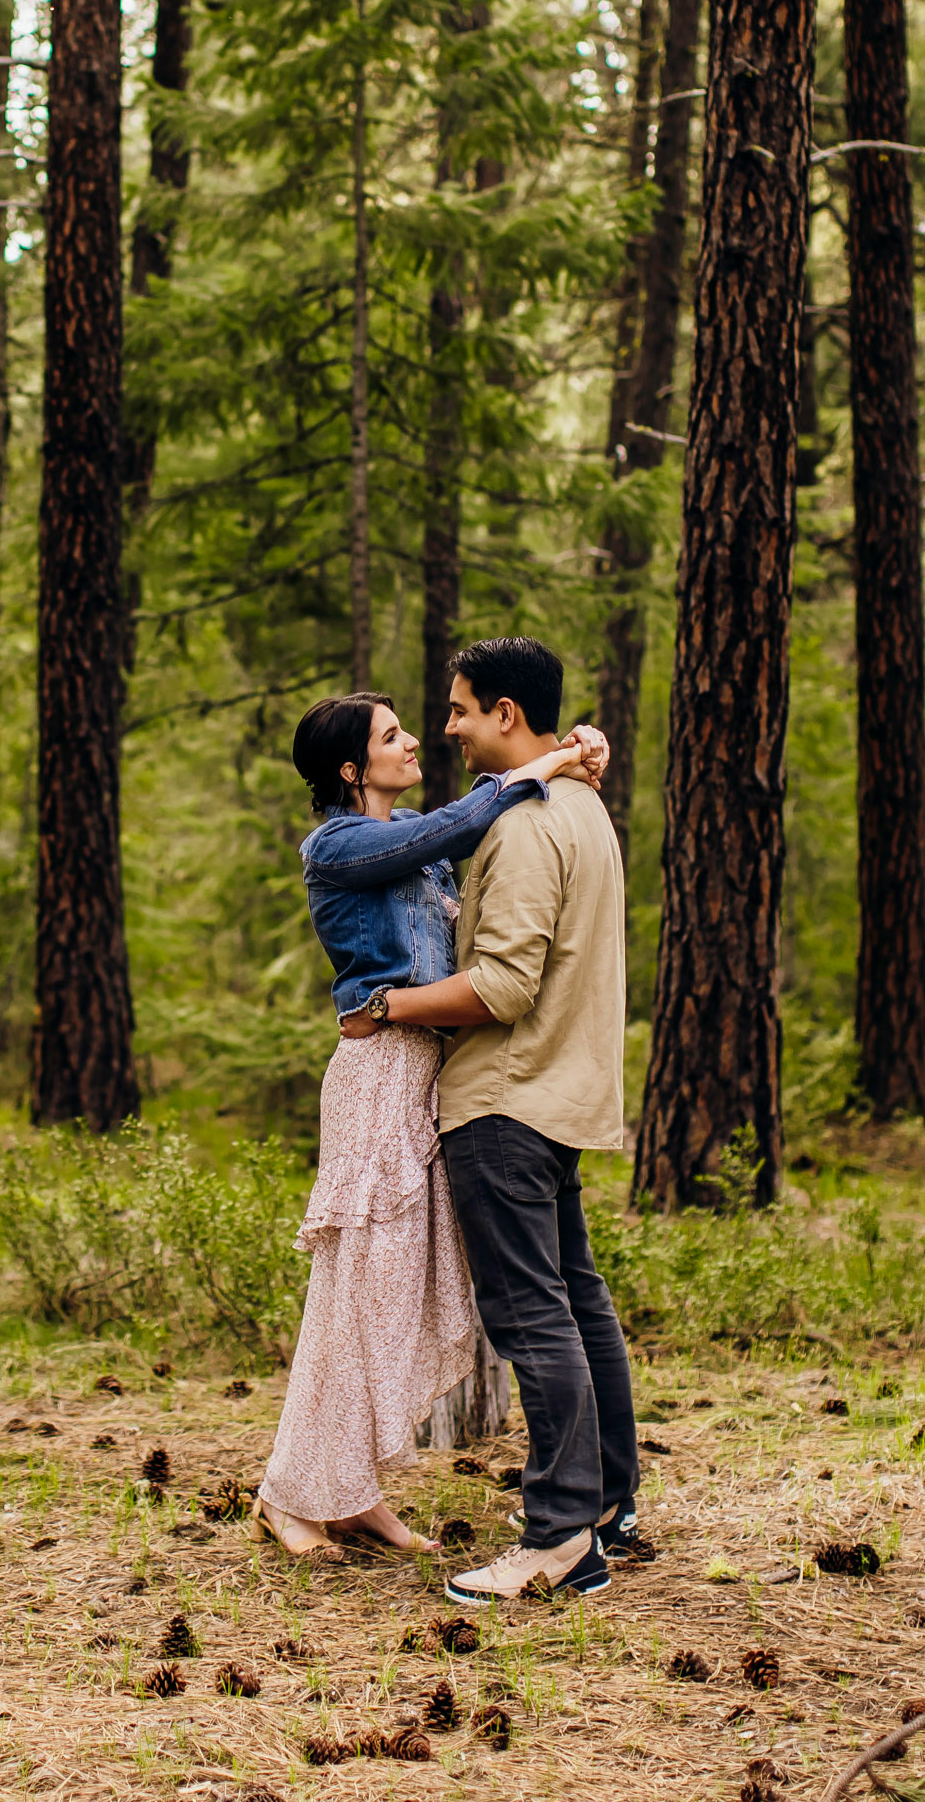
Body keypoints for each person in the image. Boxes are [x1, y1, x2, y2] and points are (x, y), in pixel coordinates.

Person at [252, 690, 607, 1561]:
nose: (414, 740)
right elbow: (461, 821)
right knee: (355, 1286)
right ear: (349, 768)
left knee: (391, 1290)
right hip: (378, 1072)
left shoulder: (413, 835)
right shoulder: (337, 844)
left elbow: (496, 848)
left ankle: (351, 1486)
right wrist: (549, 761)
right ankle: (287, 1493)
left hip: (429, 1071)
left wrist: (578, 751)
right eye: (390, 736)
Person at [336, 636, 640, 1605]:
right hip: (563, 1090)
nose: (450, 726)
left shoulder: (522, 826)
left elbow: (503, 986)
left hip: (504, 1097)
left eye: (462, 708)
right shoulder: (585, 808)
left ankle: (557, 1537)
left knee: (532, 1315)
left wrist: (385, 1009)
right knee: (578, 1302)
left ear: (507, 713)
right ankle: (605, 1508)